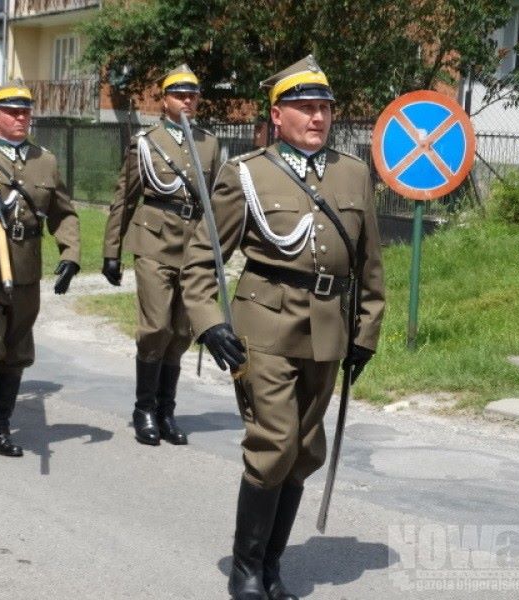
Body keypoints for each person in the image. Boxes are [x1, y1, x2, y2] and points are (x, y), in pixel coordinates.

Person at [180, 55, 385, 600]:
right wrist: (208, 323)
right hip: (263, 324)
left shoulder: (353, 173)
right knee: (274, 441)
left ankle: (272, 564)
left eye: (324, 108)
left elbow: (369, 261)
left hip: (327, 328)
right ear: (277, 114)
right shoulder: (247, 173)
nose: (318, 117)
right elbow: (202, 258)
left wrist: (365, 331)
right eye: (305, 107)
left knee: (305, 448)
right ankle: (245, 570)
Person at [0, 79, 80, 458]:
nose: (21, 116)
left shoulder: (45, 159)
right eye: (12, 110)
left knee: (15, 350)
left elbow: (63, 210)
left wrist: (71, 253)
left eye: (25, 110)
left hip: (25, 267)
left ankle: (0, 426)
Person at [102, 64, 220, 446]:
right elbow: (125, 197)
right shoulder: (146, 142)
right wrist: (111, 251)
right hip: (154, 241)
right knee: (156, 328)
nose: (187, 100)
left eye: (193, 94)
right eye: (180, 94)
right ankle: (144, 409)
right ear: (165, 100)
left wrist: (219, 253)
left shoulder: (209, 143)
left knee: (183, 330)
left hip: (194, 244)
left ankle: (167, 411)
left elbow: (219, 202)